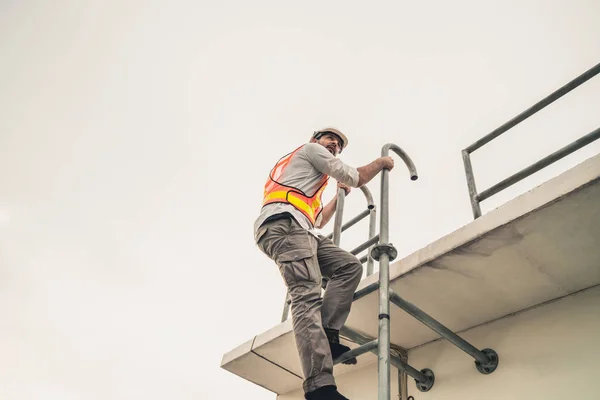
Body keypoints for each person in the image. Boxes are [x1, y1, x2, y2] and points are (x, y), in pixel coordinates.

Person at [254, 127, 395, 400]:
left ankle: (328, 337)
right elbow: (355, 175)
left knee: (349, 266)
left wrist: (336, 197)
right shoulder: (310, 151)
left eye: (339, 145)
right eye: (331, 139)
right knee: (306, 296)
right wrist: (381, 162)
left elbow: (318, 220)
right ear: (315, 140)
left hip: (302, 228)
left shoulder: (307, 179)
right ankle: (319, 387)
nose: (335, 145)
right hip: (284, 225)